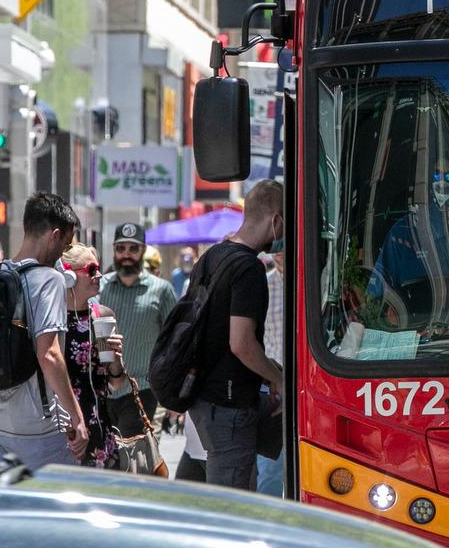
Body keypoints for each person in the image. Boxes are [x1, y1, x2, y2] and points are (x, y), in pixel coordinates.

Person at [0, 194, 89, 470]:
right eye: (66, 244)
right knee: (52, 506)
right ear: (55, 235)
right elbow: (49, 355)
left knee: (5, 508)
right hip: (37, 427)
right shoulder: (49, 280)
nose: (63, 254)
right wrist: (76, 417)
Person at [188, 180, 285, 489]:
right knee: (232, 502)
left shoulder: (212, 257)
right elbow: (242, 343)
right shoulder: (250, 268)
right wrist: (277, 378)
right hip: (229, 404)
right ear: (277, 220)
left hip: (205, 400)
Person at [98, 221, 178, 426]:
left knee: (132, 455)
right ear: (114, 250)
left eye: (133, 249)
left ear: (143, 251)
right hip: (100, 389)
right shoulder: (100, 287)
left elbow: (174, 341)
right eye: (121, 248)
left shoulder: (162, 290)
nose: (127, 254)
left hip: (140, 390)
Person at [62, 244, 123, 468]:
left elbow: (116, 383)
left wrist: (116, 357)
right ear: (68, 276)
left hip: (98, 426)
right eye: (90, 269)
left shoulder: (102, 315)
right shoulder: (49, 319)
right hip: (61, 428)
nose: (98, 275)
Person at [253, 247, 288, 496]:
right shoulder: (262, 286)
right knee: (270, 468)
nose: (281, 253)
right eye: (277, 249)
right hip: (272, 384)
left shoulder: (319, 281)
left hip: (309, 381)